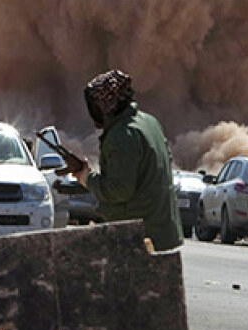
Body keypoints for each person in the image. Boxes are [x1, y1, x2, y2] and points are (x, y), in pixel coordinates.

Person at [71, 69, 183, 252]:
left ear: (105, 105)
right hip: (160, 232)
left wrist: (86, 178)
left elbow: (119, 190)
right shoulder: (149, 122)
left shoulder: (122, 135)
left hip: (137, 236)